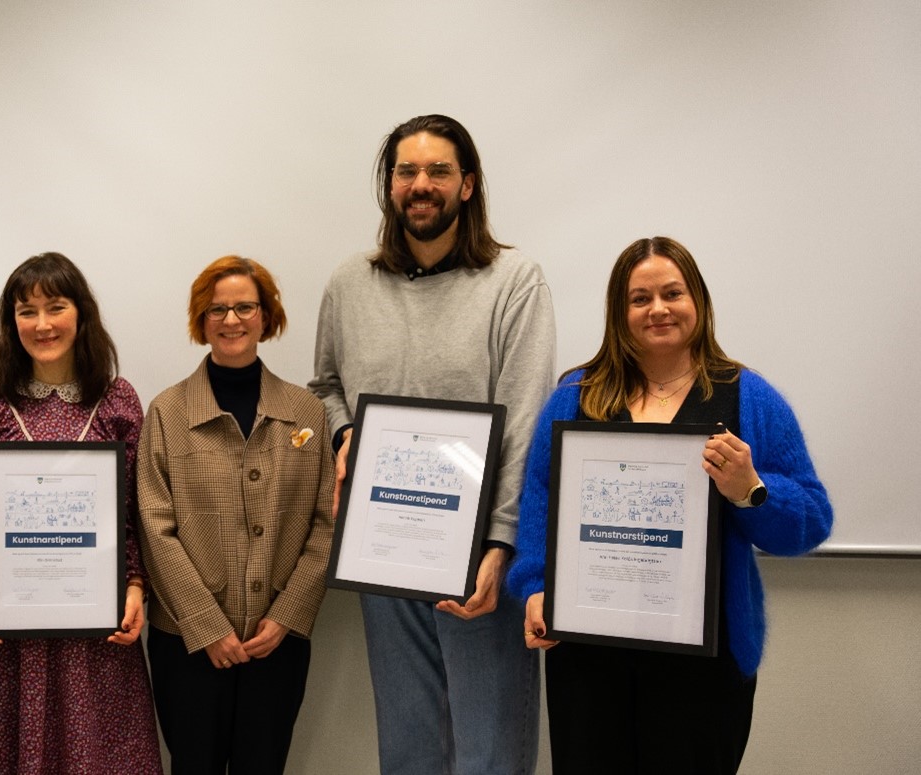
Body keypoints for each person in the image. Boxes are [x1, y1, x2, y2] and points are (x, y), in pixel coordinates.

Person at [508, 236, 833, 773]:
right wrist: (536, 587)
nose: (657, 309)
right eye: (640, 299)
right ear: (620, 312)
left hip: (704, 664)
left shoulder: (748, 397)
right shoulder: (575, 398)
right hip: (590, 657)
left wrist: (751, 491)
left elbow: (811, 522)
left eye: (672, 293)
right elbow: (539, 504)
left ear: (698, 302)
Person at [309, 114, 554, 773]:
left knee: (488, 749)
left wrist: (502, 546)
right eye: (406, 171)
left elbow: (526, 422)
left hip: (478, 553)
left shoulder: (514, 280)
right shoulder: (348, 283)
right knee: (409, 744)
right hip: (384, 544)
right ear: (388, 186)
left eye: (438, 171)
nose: (421, 184)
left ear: (467, 184)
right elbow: (325, 383)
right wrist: (344, 430)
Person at [0, 252, 162, 774]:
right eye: (25, 311)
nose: (41, 324)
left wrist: (134, 587)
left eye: (54, 307)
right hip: (2, 633)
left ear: (81, 314)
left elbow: (135, 516)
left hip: (97, 632)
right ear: (10, 322)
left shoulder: (118, 400)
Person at [137, 255, 335, 775]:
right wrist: (206, 626)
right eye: (216, 309)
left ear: (267, 317)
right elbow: (155, 528)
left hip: (278, 644)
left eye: (245, 307)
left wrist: (287, 616)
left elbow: (324, 523)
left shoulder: (307, 413)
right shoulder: (167, 412)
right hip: (187, 645)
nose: (231, 321)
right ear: (200, 322)